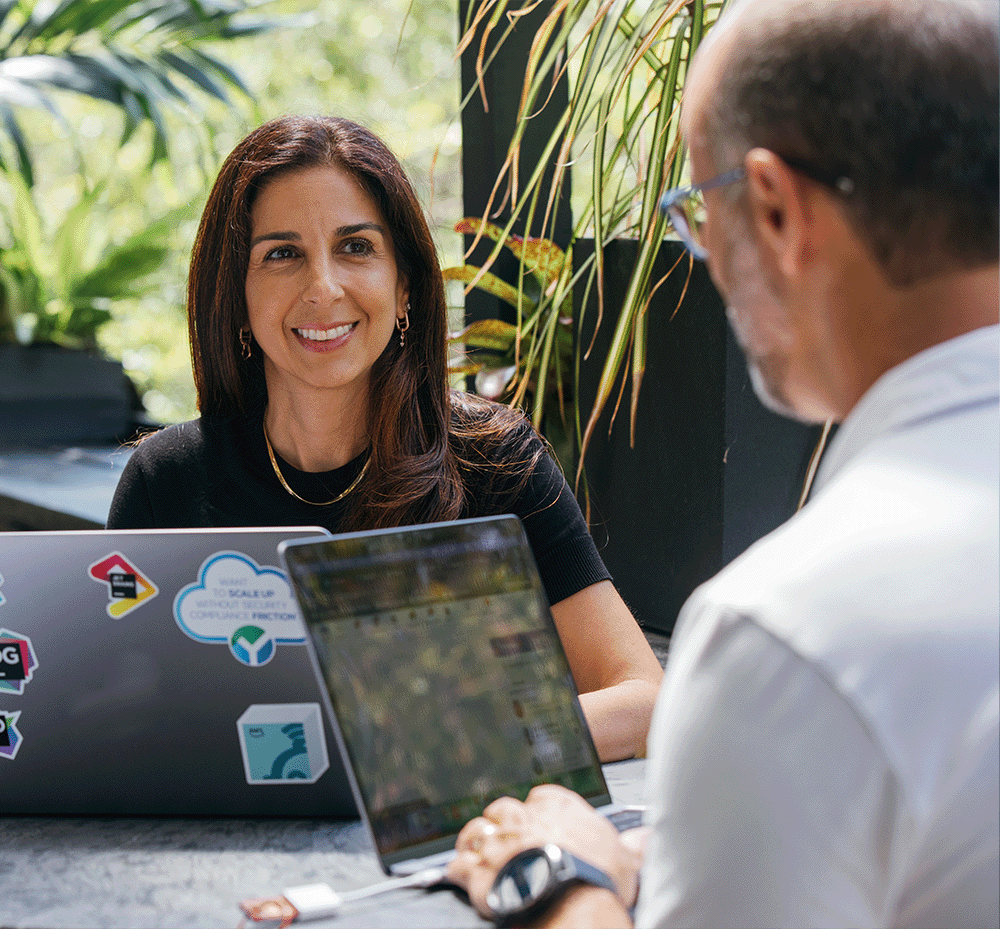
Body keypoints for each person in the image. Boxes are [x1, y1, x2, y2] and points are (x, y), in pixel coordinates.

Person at [446, 0, 999, 926]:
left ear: (776, 208)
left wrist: (561, 880)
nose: (704, 259)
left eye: (702, 208)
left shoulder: (787, 636)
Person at [107, 115, 663, 762]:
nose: (323, 287)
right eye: (282, 254)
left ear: (404, 287)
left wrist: (450, 740)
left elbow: (644, 700)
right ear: (236, 294)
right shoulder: (165, 479)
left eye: (356, 248)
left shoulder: (493, 459)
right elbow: (117, 713)